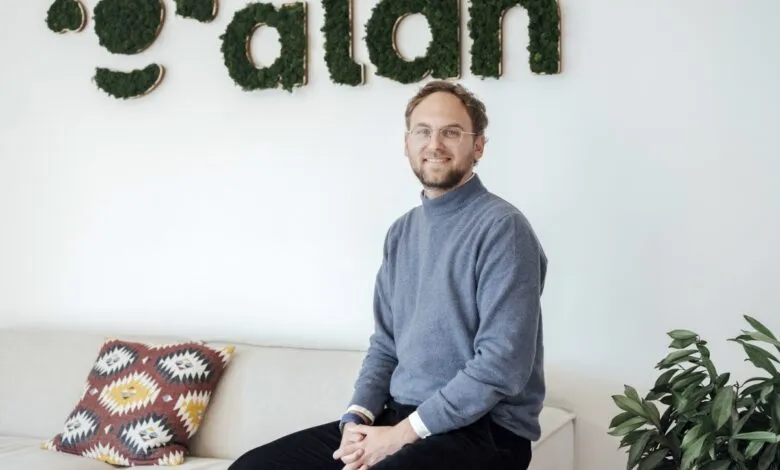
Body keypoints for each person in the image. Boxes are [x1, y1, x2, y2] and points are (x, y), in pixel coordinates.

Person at [229, 79, 547, 470]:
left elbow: (500, 365)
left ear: (478, 146)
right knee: (253, 467)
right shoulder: (402, 233)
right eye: (423, 132)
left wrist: (400, 436)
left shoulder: (503, 228)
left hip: (484, 432)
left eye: (451, 132)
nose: (435, 144)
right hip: (398, 416)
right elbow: (385, 346)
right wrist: (356, 420)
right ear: (407, 143)